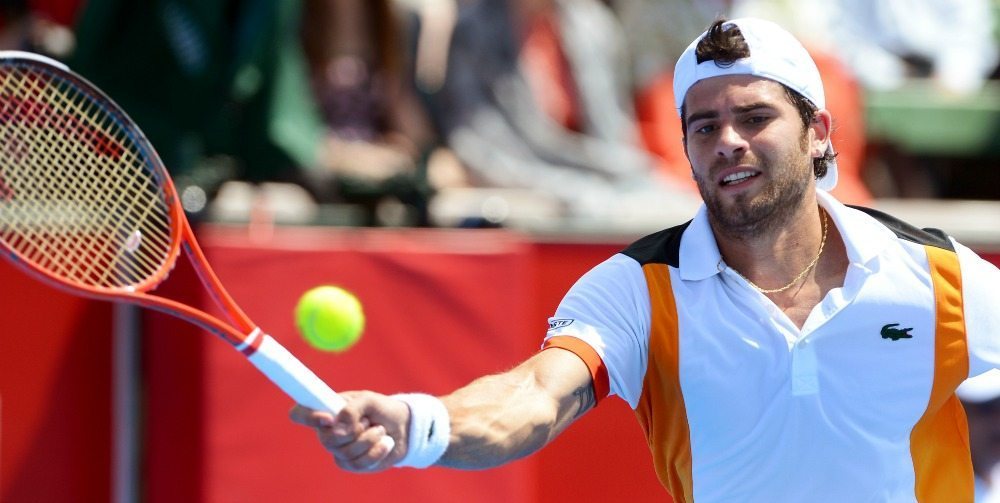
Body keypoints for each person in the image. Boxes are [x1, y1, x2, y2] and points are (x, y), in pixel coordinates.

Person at [290, 18, 1000, 500]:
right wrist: (420, 423)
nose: (727, 140)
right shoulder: (635, 291)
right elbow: (533, 396)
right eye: (704, 125)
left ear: (818, 130)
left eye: (755, 118)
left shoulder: (939, 276)